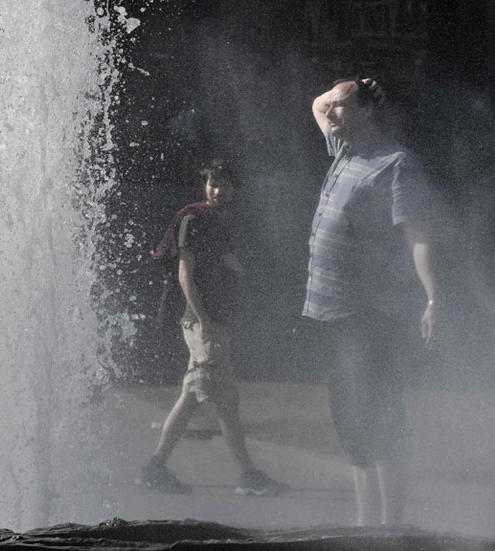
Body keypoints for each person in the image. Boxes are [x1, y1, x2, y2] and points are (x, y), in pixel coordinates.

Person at [306, 78, 442, 525]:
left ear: (368, 112)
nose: (332, 112)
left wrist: (433, 299)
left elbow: (418, 235)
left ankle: (392, 528)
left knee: (382, 417)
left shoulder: (396, 163)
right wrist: (351, 88)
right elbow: (318, 103)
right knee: (352, 422)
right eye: (334, 106)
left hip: (370, 313)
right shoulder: (343, 148)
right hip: (331, 312)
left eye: (343, 106)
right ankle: (367, 529)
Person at [141, 160, 288, 496]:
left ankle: (161, 468)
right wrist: (204, 322)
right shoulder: (193, 219)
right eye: (211, 183)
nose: (216, 190)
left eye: (223, 185)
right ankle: (241, 475)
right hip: (201, 323)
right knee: (211, 397)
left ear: (235, 190)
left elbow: (222, 260)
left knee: (209, 398)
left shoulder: (220, 221)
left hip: (213, 322)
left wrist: (233, 267)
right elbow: (185, 275)